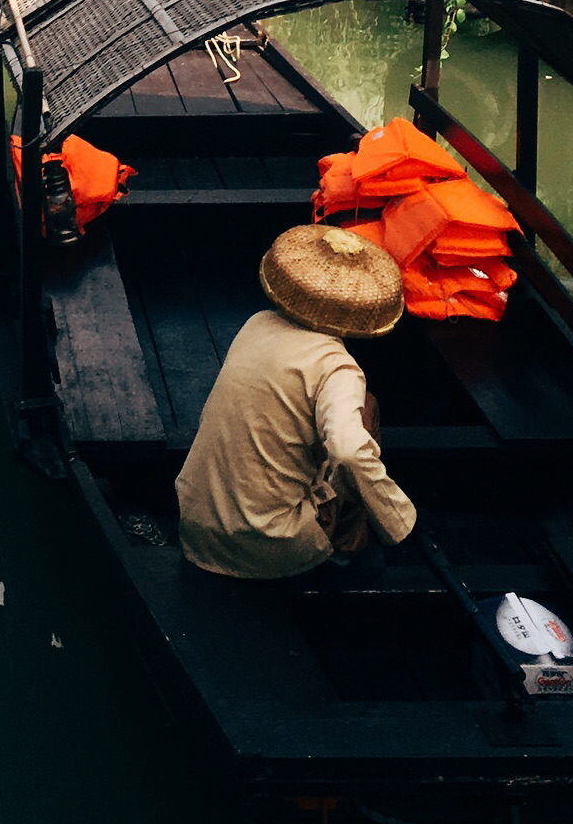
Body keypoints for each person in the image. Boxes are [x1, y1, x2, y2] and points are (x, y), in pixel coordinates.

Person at [175, 223, 417, 581]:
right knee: (365, 413)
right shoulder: (338, 368)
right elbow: (349, 451)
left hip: (196, 524)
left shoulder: (256, 324)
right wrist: (399, 520)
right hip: (268, 544)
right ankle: (347, 551)